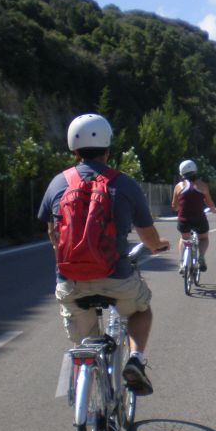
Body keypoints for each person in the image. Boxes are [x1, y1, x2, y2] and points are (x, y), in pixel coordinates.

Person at [38, 113, 170, 396]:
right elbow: (148, 236)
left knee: (86, 342)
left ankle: (89, 400)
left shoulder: (57, 184)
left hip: (70, 280)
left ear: (74, 149)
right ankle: (135, 360)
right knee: (141, 310)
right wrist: (157, 245)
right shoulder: (124, 184)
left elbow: (52, 232)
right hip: (116, 276)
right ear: (108, 148)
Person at [171, 159, 216, 274]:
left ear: (181, 173)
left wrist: (178, 208)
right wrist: (214, 210)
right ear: (195, 171)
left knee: (184, 239)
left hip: (184, 220)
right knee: (203, 238)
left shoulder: (178, 186)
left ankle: (182, 262)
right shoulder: (202, 185)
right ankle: (201, 257)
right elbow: (210, 203)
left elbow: (174, 206)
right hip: (199, 220)